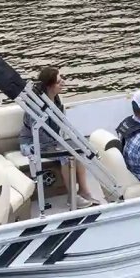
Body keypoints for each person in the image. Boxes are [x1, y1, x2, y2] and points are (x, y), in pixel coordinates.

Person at [20, 66, 98, 208]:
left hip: (53, 141)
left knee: (78, 151)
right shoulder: (35, 106)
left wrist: (64, 143)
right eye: (58, 82)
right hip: (31, 144)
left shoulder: (56, 101)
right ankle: (71, 196)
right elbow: (39, 135)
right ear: (49, 86)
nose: (63, 83)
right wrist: (60, 146)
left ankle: (84, 191)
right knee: (65, 156)